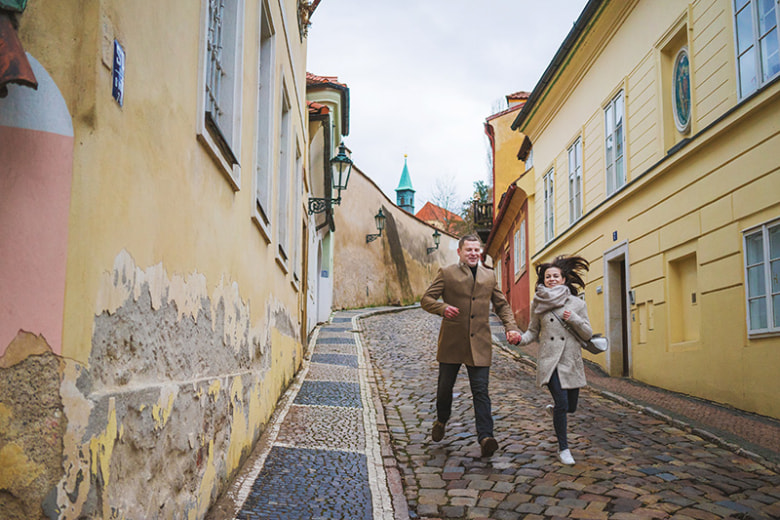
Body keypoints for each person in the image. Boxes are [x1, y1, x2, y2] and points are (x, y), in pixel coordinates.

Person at [421, 234, 522, 457]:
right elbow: (426, 299)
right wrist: (442, 309)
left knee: (481, 391)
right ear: (460, 252)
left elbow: (502, 305)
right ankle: (441, 420)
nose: (474, 253)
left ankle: (486, 437)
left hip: (480, 343)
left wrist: (511, 327)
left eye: (477, 250)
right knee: (444, 389)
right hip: (452, 342)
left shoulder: (489, 275)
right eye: (469, 250)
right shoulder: (447, 273)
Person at [511, 255, 591, 465]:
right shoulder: (537, 303)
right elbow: (532, 332)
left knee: (570, 406)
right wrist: (519, 339)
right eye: (548, 276)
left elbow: (588, 334)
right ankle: (563, 448)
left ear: (563, 279)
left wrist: (573, 318)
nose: (552, 279)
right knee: (562, 402)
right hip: (550, 361)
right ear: (543, 280)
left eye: (556, 276)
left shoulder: (577, 303)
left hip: (570, 361)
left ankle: (556, 412)